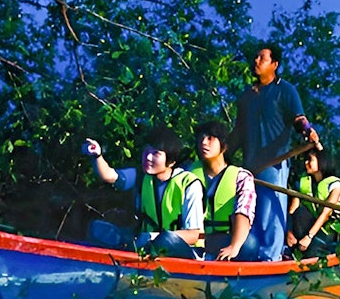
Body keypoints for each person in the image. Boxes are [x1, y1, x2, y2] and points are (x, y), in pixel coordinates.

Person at [229, 44, 320, 261]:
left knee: (271, 210)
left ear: (274, 64)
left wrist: (308, 131)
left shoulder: (285, 90)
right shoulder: (246, 97)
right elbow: (238, 131)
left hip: (274, 163)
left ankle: (271, 258)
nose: (256, 62)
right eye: (255, 57)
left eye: (262, 58)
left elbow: (299, 118)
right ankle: (250, 257)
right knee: (249, 211)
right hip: (249, 166)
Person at [83, 125, 204, 257]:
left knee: (165, 240)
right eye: (147, 150)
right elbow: (109, 175)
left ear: (171, 162)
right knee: (98, 228)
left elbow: (194, 235)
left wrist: (153, 237)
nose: (148, 157)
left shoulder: (189, 184)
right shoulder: (141, 176)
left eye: (155, 153)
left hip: (184, 251)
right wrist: (97, 156)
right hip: (146, 245)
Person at [188, 120, 259, 261]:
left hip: (224, 239)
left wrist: (234, 246)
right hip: (194, 238)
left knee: (250, 244)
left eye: (210, 138)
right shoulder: (186, 174)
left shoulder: (241, 177)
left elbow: (243, 212)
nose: (203, 143)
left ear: (224, 146)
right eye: (201, 138)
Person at [286, 148, 340, 257]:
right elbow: (293, 210)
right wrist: (289, 232)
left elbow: (326, 212)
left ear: (321, 162)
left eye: (310, 160)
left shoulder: (335, 185)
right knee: (301, 213)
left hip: (328, 227)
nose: (306, 163)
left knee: (314, 249)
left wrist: (309, 237)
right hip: (309, 224)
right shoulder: (303, 182)